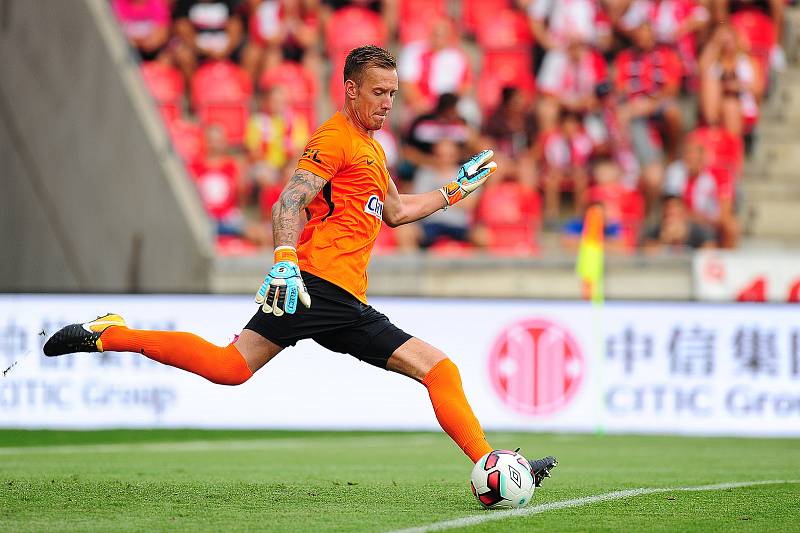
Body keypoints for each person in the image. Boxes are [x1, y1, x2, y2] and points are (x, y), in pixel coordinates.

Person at [43, 45, 557, 483]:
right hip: (320, 288)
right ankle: (493, 466)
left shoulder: (372, 150)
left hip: (328, 293)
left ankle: (111, 333)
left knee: (229, 368)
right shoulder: (335, 139)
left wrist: (452, 190)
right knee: (438, 368)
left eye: (393, 93)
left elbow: (397, 212)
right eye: (378, 92)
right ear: (351, 90)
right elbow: (289, 201)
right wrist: (285, 260)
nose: (387, 102)